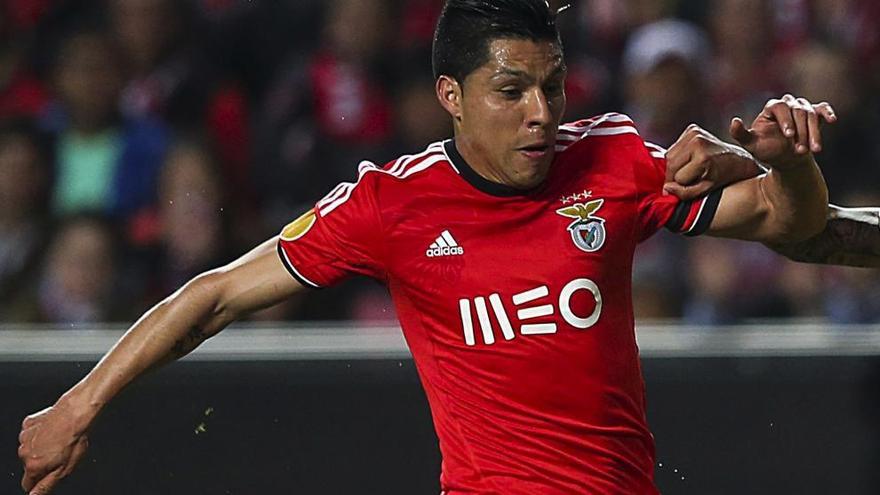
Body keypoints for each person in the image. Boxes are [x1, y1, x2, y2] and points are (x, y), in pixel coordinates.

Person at [18, 1, 836, 493]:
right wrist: (79, 404)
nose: (542, 113)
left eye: (551, 86)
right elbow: (216, 295)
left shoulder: (614, 157)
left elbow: (788, 223)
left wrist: (791, 161)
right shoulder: (391, 205)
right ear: (451, 95)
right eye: (511, 91)